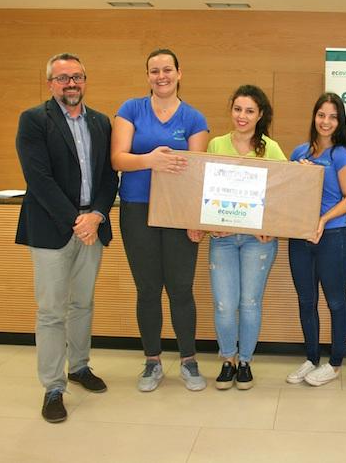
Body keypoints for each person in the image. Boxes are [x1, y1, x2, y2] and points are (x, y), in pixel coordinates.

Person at [15, 53, 118, 423]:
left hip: (92, 224)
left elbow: (109, 176)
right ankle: (53, 387)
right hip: (52, 229)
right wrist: (78, 221)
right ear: (50, 84)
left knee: (83, 304)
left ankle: (79, 366)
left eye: (77, 76)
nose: (71, 83)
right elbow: (38, 178)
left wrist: (97, 215)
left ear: (85, 80)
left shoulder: (101, 122)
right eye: (62, 78)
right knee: (51, 311)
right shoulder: (33, 120)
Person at [111, 48, 209, 393]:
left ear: (179, 73)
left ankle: (188, 360)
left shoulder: (194, 118)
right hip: (137, 210)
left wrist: (195, 218)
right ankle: (152, 360)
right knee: (148, 289)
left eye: (167, 69)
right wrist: (149, 160)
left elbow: (197, 172)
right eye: (155, 71)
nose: (161, 76)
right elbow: (118, 159)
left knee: (181, 289)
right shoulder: (130, 109)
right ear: (148, 76)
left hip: (179, 213)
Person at [207, 85, 287, 390]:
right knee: (224, 305)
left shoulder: (272, 149)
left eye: (250, 111)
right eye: (238, 109)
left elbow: (285, 192)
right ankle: (227, 359)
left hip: (258, 241)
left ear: (260, 115)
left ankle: (245, 362)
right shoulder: (216, 145)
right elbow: (204, 190)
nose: (242, 116)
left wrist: (273, 225)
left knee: (250, 302)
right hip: (223, 239)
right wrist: (210, 224)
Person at [286, 93, 346, 386]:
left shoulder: (341, 155)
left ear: (340, 122)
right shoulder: (298, 152)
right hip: (300, 237)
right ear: (314, 116)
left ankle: (335, 363)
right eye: (321, 115)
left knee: (336, 302)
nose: (325, 122)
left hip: (333, 236)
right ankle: (312, 358)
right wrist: (298, 175)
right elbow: (287, 193)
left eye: (333, 117)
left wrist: (323, 220)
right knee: (306, 301)